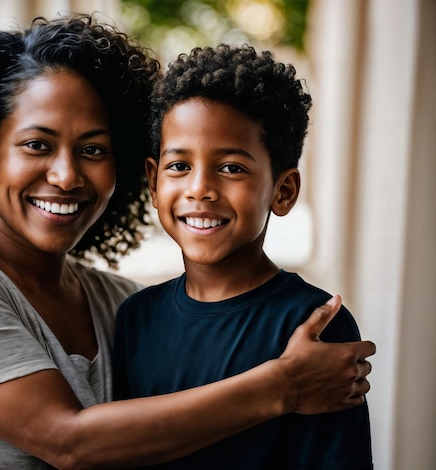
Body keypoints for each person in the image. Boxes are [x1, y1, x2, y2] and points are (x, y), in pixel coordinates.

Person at [0, 15, 375, 469]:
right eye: (37, 144)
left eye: (93, 149)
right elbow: (66, 444)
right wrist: (283, 386)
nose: (65, 175)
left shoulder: (119, 306)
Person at [113, 44, 373, 469]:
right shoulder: (135, 319)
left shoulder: (313, 325)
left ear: (282, 190)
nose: (200, 189)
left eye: (231, 168)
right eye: (179, 166)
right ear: (153, 181)